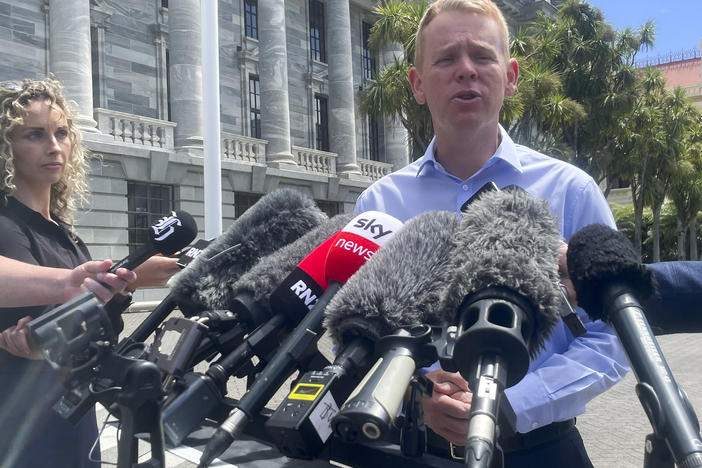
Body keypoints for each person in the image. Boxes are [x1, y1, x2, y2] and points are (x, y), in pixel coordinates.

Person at [353, 1, 629, 466]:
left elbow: (616, 337)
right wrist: (415, 393)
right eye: (445, 59)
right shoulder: (378, 205)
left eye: (482, 56)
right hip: (412, 450)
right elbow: (357, 334)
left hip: (542, 451)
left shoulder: (570, 191)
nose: (466, 71)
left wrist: (508, 406)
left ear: (511, 75)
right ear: (417, 85)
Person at [0, 78, 180, 468]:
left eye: (61, 133)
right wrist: (68, 285)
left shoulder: (61, 230)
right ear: (5, 147)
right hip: (23, 432)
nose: (54, 146)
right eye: (35, 134)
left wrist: (168, 269)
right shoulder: (5, 223)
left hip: (72, 420)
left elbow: (83, 309)